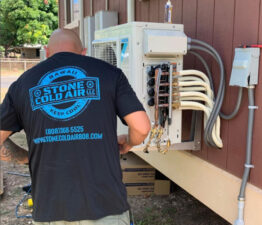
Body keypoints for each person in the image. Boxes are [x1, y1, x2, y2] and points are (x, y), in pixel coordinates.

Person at [0, 29, 150, 225]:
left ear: (46, 50)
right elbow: (142, 127)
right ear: (84, 51)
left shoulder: (23, 84)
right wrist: (128, 143)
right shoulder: (110, 74)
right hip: (105, 206)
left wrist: (24, 156)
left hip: (50, 208)